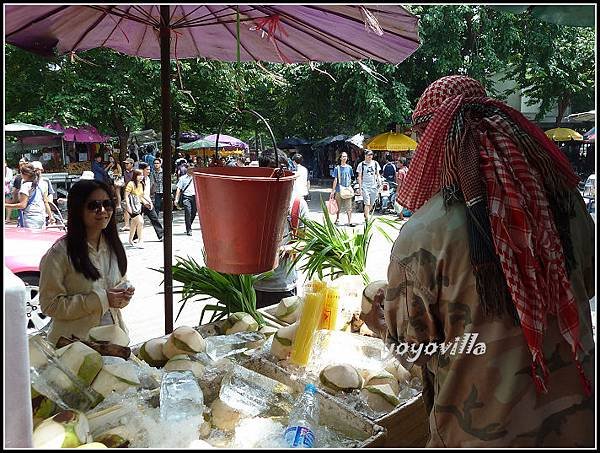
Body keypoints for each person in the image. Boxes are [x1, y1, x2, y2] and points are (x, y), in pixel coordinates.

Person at [362, 75, 595, 447]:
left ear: (434, 142)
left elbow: (414, 348)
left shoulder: (425, 231)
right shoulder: (570, 207)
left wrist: (379, 319)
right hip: (576, 426)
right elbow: (589, 284)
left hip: (479, 435)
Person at [39, 179, 134, 346]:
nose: (102, 210)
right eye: (93, 205)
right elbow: (50, 305)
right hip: (75, 347)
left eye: (107, 204)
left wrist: (123, 295)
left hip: (113, 342)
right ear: (77, 210)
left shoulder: (114, 247)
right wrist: (101, 299)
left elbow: (120, 284)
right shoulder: (59, 253)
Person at [254, 149, 309, 308]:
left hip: (283, 284)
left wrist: (284, 248)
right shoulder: (250, 200)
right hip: (250, 284)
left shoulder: (297, 205)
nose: (280, 175)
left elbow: (304, 242)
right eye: (274, 169)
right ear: (263, 172)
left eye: (284, 169)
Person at [5, 163, 54, 229]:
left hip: (30, 219)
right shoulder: (43, 184)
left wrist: (5, 205)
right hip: (42, 217)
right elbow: (46, 202)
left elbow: (22, 205)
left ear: (25, 175)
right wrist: (51, 216)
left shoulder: (25, 186)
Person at [136, 162, 164, 241]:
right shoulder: (137, 179)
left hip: (147, 201)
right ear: (142, 170)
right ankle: (135, 236)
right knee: (138, 220)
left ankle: (161, 235)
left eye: (149, 169)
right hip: (138, 202)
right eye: (147, 169)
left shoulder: (148, 178)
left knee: (154, 217)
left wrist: (149, 202)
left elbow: (146, 193)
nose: (149, 171)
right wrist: (144, 202)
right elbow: (137, 193)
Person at [124, 169, 148, 248]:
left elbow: (141, 195)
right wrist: (128, 206)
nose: (141, 177)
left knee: (134, 223)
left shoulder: (141, 184)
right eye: (139, 175)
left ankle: (130, 240)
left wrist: (147, 202)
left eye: (142, 175)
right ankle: (140, 240)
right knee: (140, 221)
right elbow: (126, 195)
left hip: (138, 206)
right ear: (135, 176)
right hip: (132, 206)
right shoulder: (131, 183)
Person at [356, 149, 381, 222]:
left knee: (372, 203)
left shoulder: (375, 163)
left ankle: (366, 213)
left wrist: (380, 184)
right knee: (367, 203)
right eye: (368, 155)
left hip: (374, 186)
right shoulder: (361, 165)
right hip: (365, 186)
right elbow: (359, 177)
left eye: (371, 155)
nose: (370, 156)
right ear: (365, 156)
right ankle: (367, 219)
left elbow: (377, 174)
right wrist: (360, 188)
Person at [330, 151, 354, 226]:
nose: (344, 158)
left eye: (346, 156)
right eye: (343, 156)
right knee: (338, 206)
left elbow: (351, 178)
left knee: (349, 206)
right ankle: (337, 219)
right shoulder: (337, 168)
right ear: (340, 158)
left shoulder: (349, 168)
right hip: (339, 190)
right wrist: (333, 191)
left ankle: (349, 221)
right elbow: (335, 180)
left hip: (347, 189)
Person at [174, 163, 197, 236]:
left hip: (195, 197)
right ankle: (188, 229)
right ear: (187, 169)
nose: (191, 170)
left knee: (193, 212)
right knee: (188, 212)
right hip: (186, 197)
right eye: (190, 169)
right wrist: (176, 199)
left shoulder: (196, 177)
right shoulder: (182, 178)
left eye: (193, 169)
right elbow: (178, 189)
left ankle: (189, 224)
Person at [120, 157, 135, 231]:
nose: (126, 165)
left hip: (134, 193)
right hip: (126, 192)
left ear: (132, 164)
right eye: (125, 163)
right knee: (126, 208)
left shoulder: (135, 172)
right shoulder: (125, 172)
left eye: (127, 163)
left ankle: (135, 224)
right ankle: (126, 225)